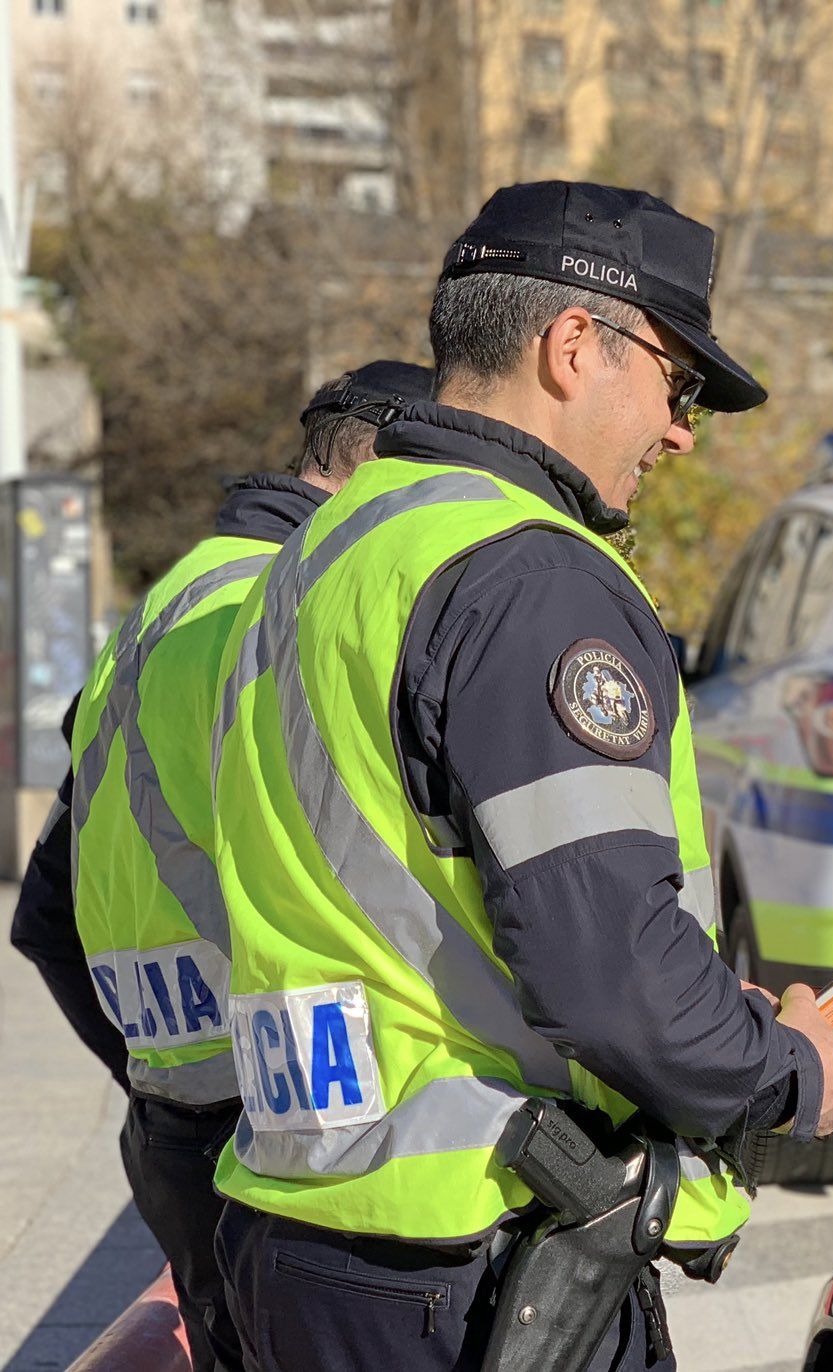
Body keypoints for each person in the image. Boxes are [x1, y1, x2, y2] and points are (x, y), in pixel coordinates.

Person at [207, 182, 833, 1371]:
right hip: (474, 1262)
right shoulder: (529, 575)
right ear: (574, 345)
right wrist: (791, 1073)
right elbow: (606, 971)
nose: (682, 428)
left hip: (302, 1223)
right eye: (677, 383)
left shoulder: (335, 545)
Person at [8, 359, 434, 1371]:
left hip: (177, 1138)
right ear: (378, 460)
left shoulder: (166, 610)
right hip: (293, 1150)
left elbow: (43, 916)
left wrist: (161, 1074)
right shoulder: (286, 616)